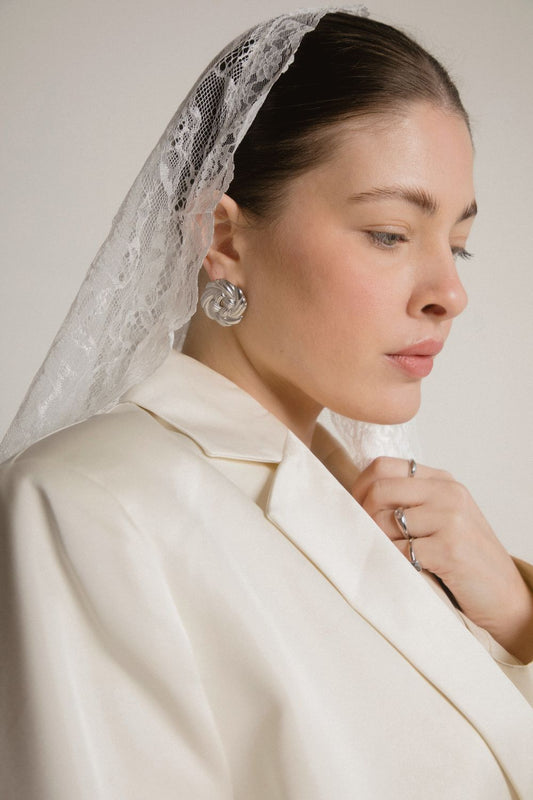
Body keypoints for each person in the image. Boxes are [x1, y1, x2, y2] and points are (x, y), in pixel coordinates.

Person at [1, 7, 533, 799]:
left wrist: (522, 619)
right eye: (390, 233)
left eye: (455, 243)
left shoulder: (408, 527)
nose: (448, 292)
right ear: (222, 239)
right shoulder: (87, 508)